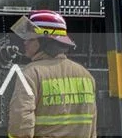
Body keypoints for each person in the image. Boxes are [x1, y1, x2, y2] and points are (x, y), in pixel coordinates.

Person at [7, 10, 97, 138]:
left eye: (30, 38)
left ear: (45, 42)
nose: (25, 42)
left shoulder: (31, 73)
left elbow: (21, 122)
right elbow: (92, 127)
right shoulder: (86, 76)